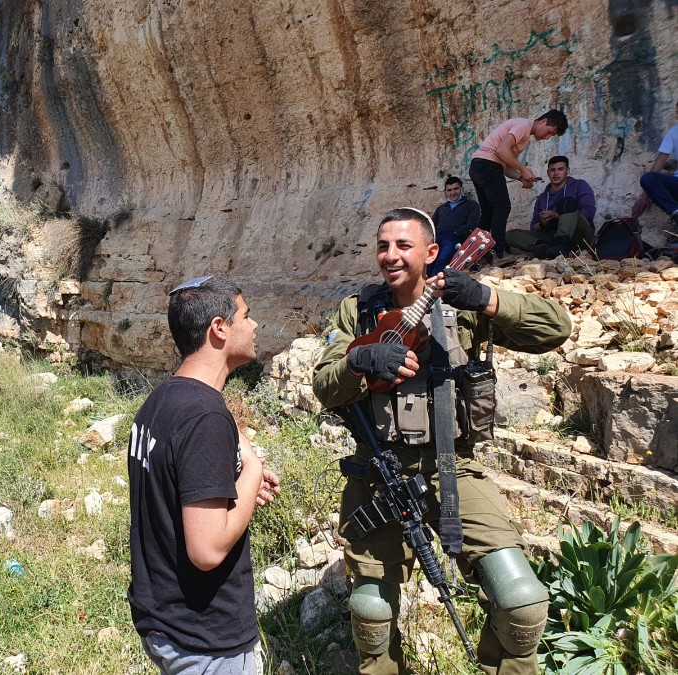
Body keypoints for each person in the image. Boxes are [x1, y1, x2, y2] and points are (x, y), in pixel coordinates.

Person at [312, 208, 571, 675]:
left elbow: (557, 328)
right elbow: (324, 386)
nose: (389, 256)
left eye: (403, 246)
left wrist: (489, 299)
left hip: (455, 468)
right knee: (371, 610)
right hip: (379, 473)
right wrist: (361, 363)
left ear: (431, 253)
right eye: (382, 246)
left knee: (522, 603)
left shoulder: (463, 307)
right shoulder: (358, 311)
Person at [128, 275, 280, 675]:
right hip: (205, 640)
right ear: (219, 328)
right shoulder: (204, 418)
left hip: (163, 621)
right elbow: (208, 549)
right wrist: (252, 473)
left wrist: (238, 477)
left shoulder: (164, 398)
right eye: (246, 315)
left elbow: (179, 482)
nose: (254, 325)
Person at [468, 110, 569, 257]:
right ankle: (498, 252)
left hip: (479, 166)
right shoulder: (523, 125)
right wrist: (523, 169)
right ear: (544, 121)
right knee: (502, 207)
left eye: (550, 136)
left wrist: (521, 178)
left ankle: (475, 253)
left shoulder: (524, 133)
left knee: (489, 212)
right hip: (487, 165)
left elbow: (505, 165)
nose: (547, 137)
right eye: (549, 132)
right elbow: (502, 151)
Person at [506, 156, 596, 257]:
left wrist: (557, 216)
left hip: (578, 236)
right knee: (510, 235)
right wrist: (543, 224)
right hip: (552, 237)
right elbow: (533, 226)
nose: (556, 173)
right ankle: (545, 248)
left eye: (560, 169)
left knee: (567, 202)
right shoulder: (542, 198)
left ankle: (559, 246)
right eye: (552, 170)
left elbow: (589, 212)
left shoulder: (579, 185)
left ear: (568, 170)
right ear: (548, 173)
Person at [633, 100, 678, 228]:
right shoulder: (674, 132)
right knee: (648, 178)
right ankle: (675, 212)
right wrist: (646, 194)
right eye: (677, 113)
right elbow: (660, 161)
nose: (676, 116)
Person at [427, 176, 481, 276]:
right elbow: (432, 225)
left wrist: (457, 232)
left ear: (462, 189)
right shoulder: (441, 208)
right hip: (437, 236)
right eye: (449, 190)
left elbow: (472, 224)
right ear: (445, 192)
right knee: (428, 260)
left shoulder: (471, 205)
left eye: (455, 189)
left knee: (442, 260)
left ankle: (432, 283)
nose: (453, 192)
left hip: (453, 237)